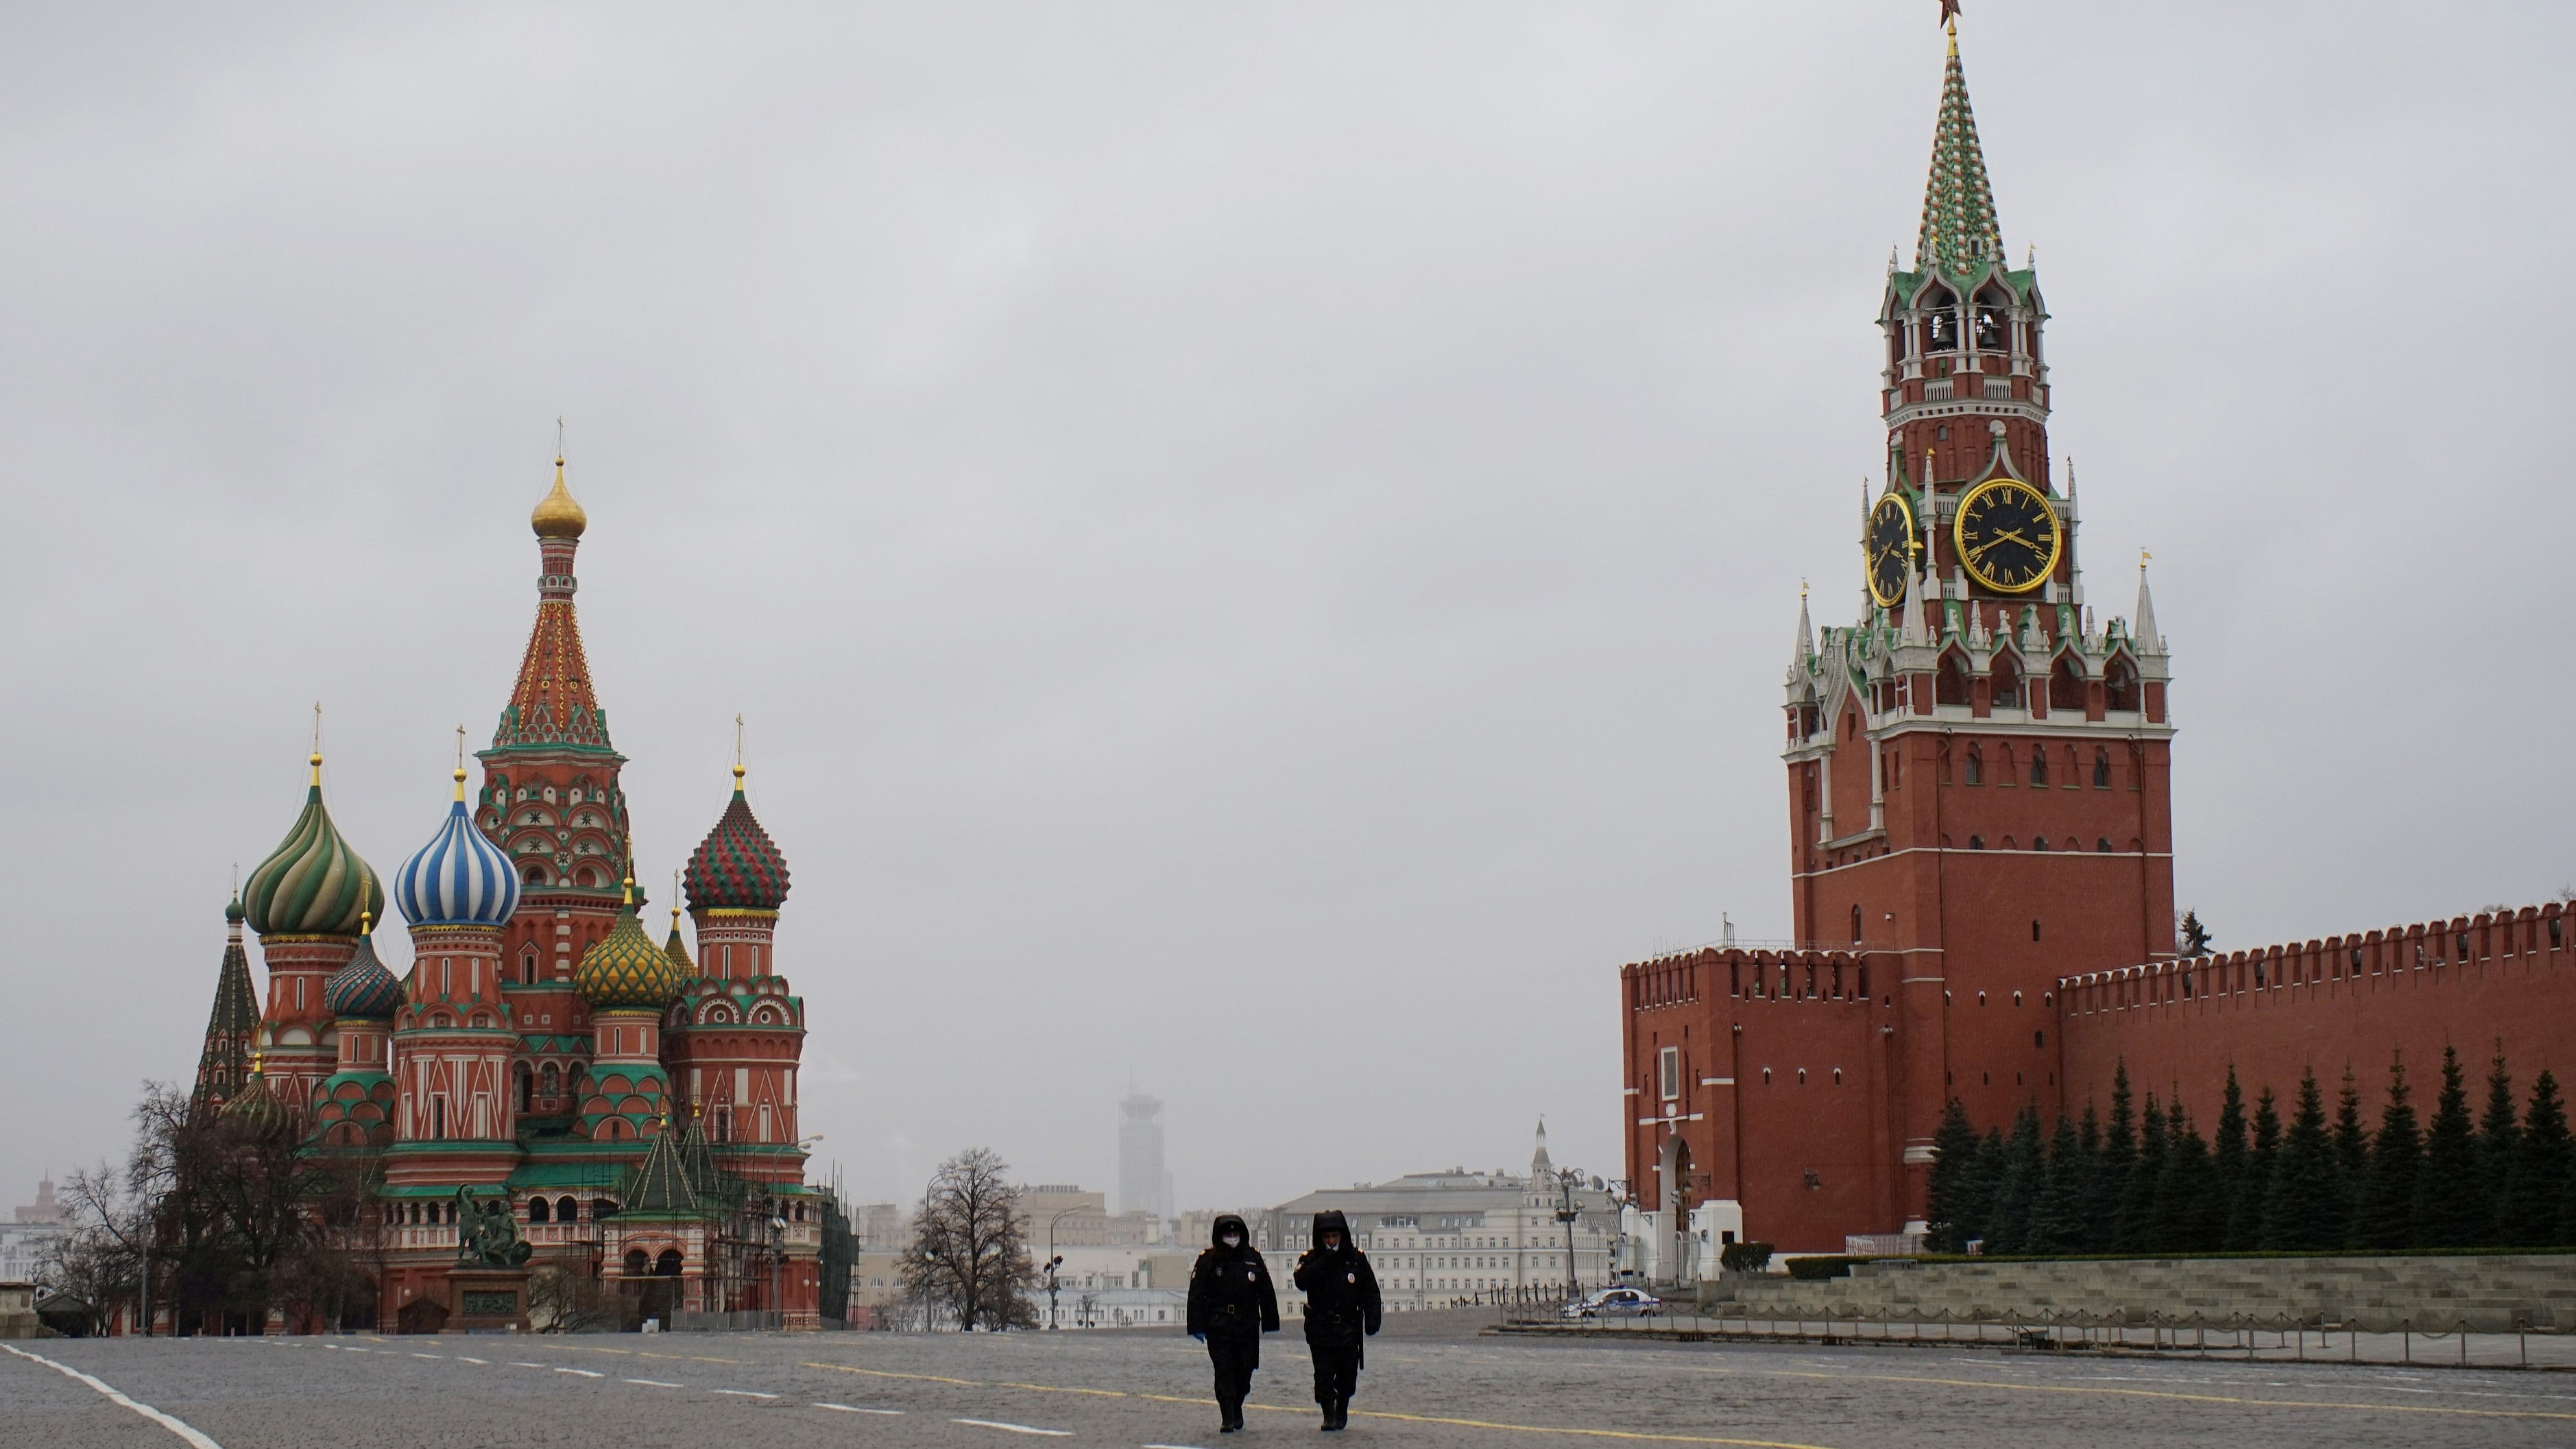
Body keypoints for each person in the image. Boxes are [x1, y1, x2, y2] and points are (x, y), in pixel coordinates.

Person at [1185, 1213, 1278, 1433]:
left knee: (1245, 1370)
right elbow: (1196, 1293)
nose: (1232, 1238)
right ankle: (1227, 1414)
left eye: (1236, 1234)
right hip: (1219, 1325)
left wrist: (1271, 1320)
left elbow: (1266, 1290)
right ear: (1220, 1236)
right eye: (1228, 1234)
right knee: (1224, 1370)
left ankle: (1237, 1405)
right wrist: (1196, 1326)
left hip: (1246, 1325)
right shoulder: (1208, 1260)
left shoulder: (1253, 1258)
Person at [1290, 1209, 1380, 1431]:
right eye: (1327, 1237)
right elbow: (1300, 1281)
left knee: (1347, 1375)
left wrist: (1372, 1320)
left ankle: (1342, 1409)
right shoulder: (1310, 1259)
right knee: (1323, 1374)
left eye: (1335, 1237)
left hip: (1348, 1327)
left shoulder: (1356, 1259)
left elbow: (1370, 1290)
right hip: (1320, 1327)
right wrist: (1324, 1261)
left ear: (1342, 1235)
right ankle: (1328, 1414)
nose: (1331, 1241)